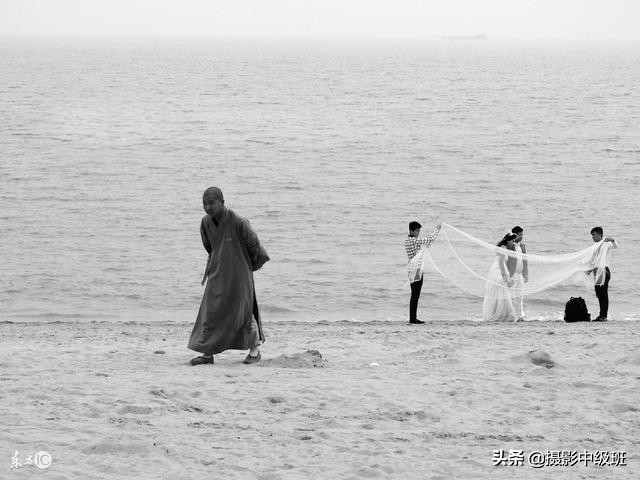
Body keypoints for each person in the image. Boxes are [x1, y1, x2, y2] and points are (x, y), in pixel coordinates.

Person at [188, 187, 270, 365]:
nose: (207, 207)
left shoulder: (239, 222)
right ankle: (207, 354)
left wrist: (244, 267)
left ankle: (254, 352)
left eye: (211, 203)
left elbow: (255, 247)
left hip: (239, 275)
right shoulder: (205, 223)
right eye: (204, 204)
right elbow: (210, 247)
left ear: (222, 202)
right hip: (217, 273)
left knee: (244, 312)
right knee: (211, 313)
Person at [405, 221, 441, 324]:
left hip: (412, 268)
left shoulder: (409, 240)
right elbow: (429, 239)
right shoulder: (413, 240)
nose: (418, 232)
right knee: (415, 295)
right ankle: (412, 319)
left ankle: (413, 318)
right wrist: (437, 230)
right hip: (415, 269)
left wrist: (426, 245)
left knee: (415, 294)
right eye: (417, 230)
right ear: (411, 231)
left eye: (419, 230)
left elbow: (421, 247)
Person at [482, 232, 518, 322]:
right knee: (502, 290)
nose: (513, 243)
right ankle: (504, 315)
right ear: (508, 240)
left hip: (497, 269)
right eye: (512, 241)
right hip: (498, 270)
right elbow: (501, 263)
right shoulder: (503, 248)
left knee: (500, 291)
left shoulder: (502, 247)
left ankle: (500, 314)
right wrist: (504, 275)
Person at [589, 226, 618, 322]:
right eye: (592, 235)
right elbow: (594, 260)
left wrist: (612, 240)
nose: (592, 237)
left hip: (604, 271)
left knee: (603, 294)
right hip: (597, 272)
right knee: (598, 294)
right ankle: (601, 315)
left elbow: (616, 246)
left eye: (594, 235)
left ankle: (603, 316)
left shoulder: (606, 243)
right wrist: (589, 270)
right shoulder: (595, 246)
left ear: (599, 234)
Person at [506, 226, 528, 320]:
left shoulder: (522, 245)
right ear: (515, 235)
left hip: (520, 274)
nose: (521, 236)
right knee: (512, 296)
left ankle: (520, 315)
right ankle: (512, 315)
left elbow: (525, 260)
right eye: (520, 235)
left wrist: (526, 273)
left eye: (522, 234)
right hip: (513, 274)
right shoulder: (510, 245)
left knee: (520, 296)